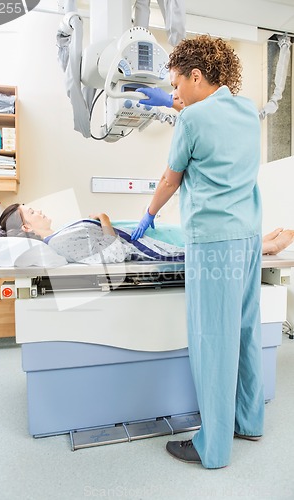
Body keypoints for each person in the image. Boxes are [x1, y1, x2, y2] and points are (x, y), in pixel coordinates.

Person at [131, 34, 265, 469]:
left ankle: (214, 447)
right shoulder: (247, 111)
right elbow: (206, 120)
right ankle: (248, 420)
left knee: (214, 341)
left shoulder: (191, 121)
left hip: (214, 243)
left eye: (175, 83)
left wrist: (148, 215)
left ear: (196, 75)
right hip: (247, 237)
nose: (173, 92)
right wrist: (169, 103)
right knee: (244, 331)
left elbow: (170, 180)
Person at [0, 203, 185, 264]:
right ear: (26, 227)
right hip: (151, 245)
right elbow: (113, 252)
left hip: (148, 235)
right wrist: (104, 219)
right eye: (32, 213)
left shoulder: (60, 234)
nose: (39, 212)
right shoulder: (58, 243)